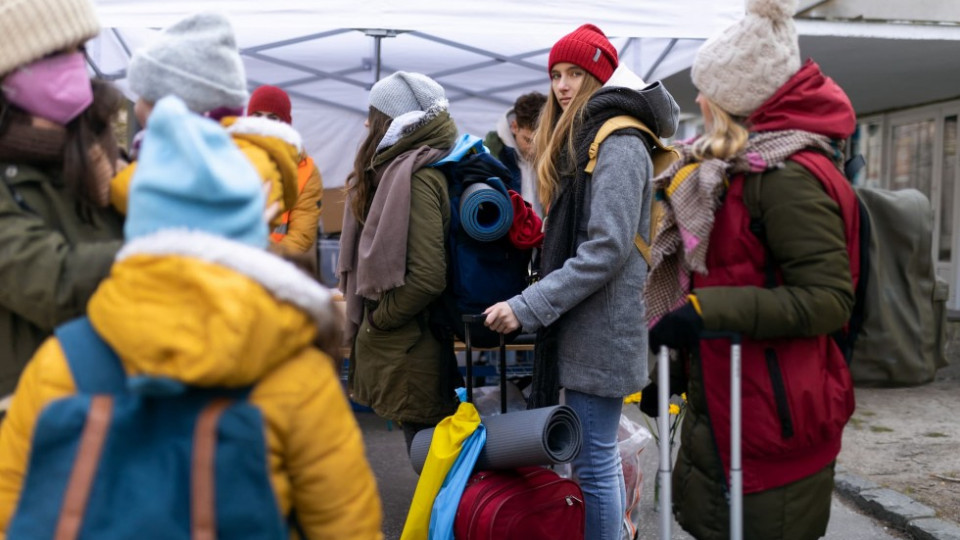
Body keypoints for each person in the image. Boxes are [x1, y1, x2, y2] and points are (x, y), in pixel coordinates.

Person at [0, 95, 383, 539]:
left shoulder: (60, 362)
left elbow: (12, 510)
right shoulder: (295, 372)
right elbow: (346, 527)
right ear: (251, 233)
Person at [643, 0, 858, 537]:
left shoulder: (786, 176)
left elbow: (829, 299)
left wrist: (703, 311)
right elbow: (735, 274)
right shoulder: (735, 169)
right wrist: (680, 363)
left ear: (736, 100)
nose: (697, 99)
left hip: (772, 416)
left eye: (706, 90)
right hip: (731, 397)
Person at [482, 24, 679, 540]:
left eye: (575, 73)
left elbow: (606, 249)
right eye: (556, 75)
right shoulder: (589, 137)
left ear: (601, 76)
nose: (563, 85)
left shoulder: (618, 140)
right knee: (591, 458)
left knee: (593, 461)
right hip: (588, 324)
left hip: (603, 326)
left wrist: (528, 304)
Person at [0, 0, 126, 400]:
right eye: (55, 53)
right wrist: (169, 248)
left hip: (116, 404)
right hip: (28, 417)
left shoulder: (102, 157)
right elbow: (53, 283)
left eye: (80, 49)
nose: (74, 64)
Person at [339, 71, 461, 452]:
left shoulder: (417, 177)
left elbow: (426, 276)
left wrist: (380, 321)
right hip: (409, 344)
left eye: (371, 113)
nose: (364, 122)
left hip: (412, 345)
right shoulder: (398, 171)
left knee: (428, 461)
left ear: (391, 121)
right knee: (426, 457)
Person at [108, 12, 302, 234]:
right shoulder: (213, 152)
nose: (137, 107)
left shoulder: (244, 158)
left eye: (145, 98)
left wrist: (111, 175)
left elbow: (150, 199)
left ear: (173, 107)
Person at [247, 84, 324, 254]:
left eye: (272, 117)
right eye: (257, 115)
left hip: (275, 266)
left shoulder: (306, 170)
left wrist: (265, 258)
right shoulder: (231, 156)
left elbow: (301, 236)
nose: (263, 123)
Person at [483, 91, 548, 216]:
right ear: (514, 127)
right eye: (528, 140)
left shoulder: (555, 149)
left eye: (540, 141)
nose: (534, 149)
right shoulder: (493, 152)